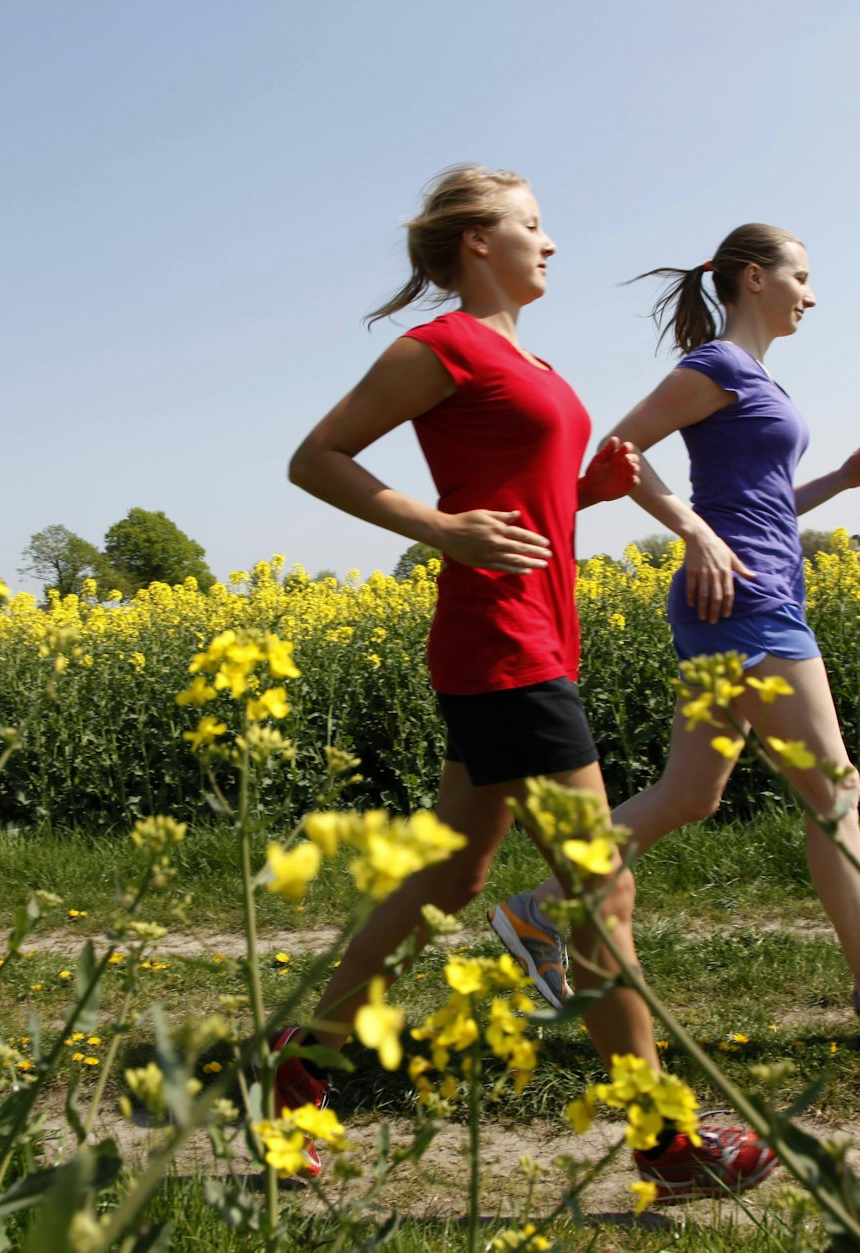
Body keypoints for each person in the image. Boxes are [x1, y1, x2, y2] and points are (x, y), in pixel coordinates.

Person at [280, 167, 776, 1199]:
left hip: (534, 637)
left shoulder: (526, 358)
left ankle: (297, 1058)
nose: (549, 242)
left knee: (455, 878)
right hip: (499, 643)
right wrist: (439, 527)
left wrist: (591, 485)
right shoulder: (442, 347)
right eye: (531, 225)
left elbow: (532, 498)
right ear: (474, 241)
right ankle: (662, 1139)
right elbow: (315, 457)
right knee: (600, 885)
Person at [489, 223, 860, 1041]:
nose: (812, 293)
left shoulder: (756, 378)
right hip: (745, 601)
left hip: (742, 594)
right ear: (754, 279)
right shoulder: (716, 365)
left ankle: (541, 913)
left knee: (691, 794)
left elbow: (761, 509)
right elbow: (619, 447)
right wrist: (693, 532)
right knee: (835, 789)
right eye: (802, 276)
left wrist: (840, 479)